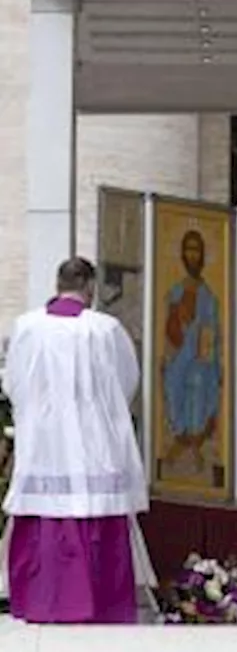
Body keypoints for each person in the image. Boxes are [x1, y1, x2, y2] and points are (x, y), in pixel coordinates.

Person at [1, 257, 156, 624]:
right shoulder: (105, 329)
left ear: (57, 284)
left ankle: (43, 601)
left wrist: (41, 413)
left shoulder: (25, 327)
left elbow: (13, 384)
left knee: (46, 510)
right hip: (93, 442)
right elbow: (125, 382)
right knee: (92, 507)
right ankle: (98, 604)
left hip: (45, 442)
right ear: (90, 287)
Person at [161, 229, 222, 472]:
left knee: (198, 387)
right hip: (178, 358)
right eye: (188, 248)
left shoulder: (210, 296)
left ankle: (196, 445)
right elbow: (169, 331)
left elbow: (212, 331)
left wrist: (205, 351)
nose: (192, 254)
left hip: (202, 359)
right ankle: (177, 441)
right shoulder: (174, 291)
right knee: (175, 390)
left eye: (197, 249)